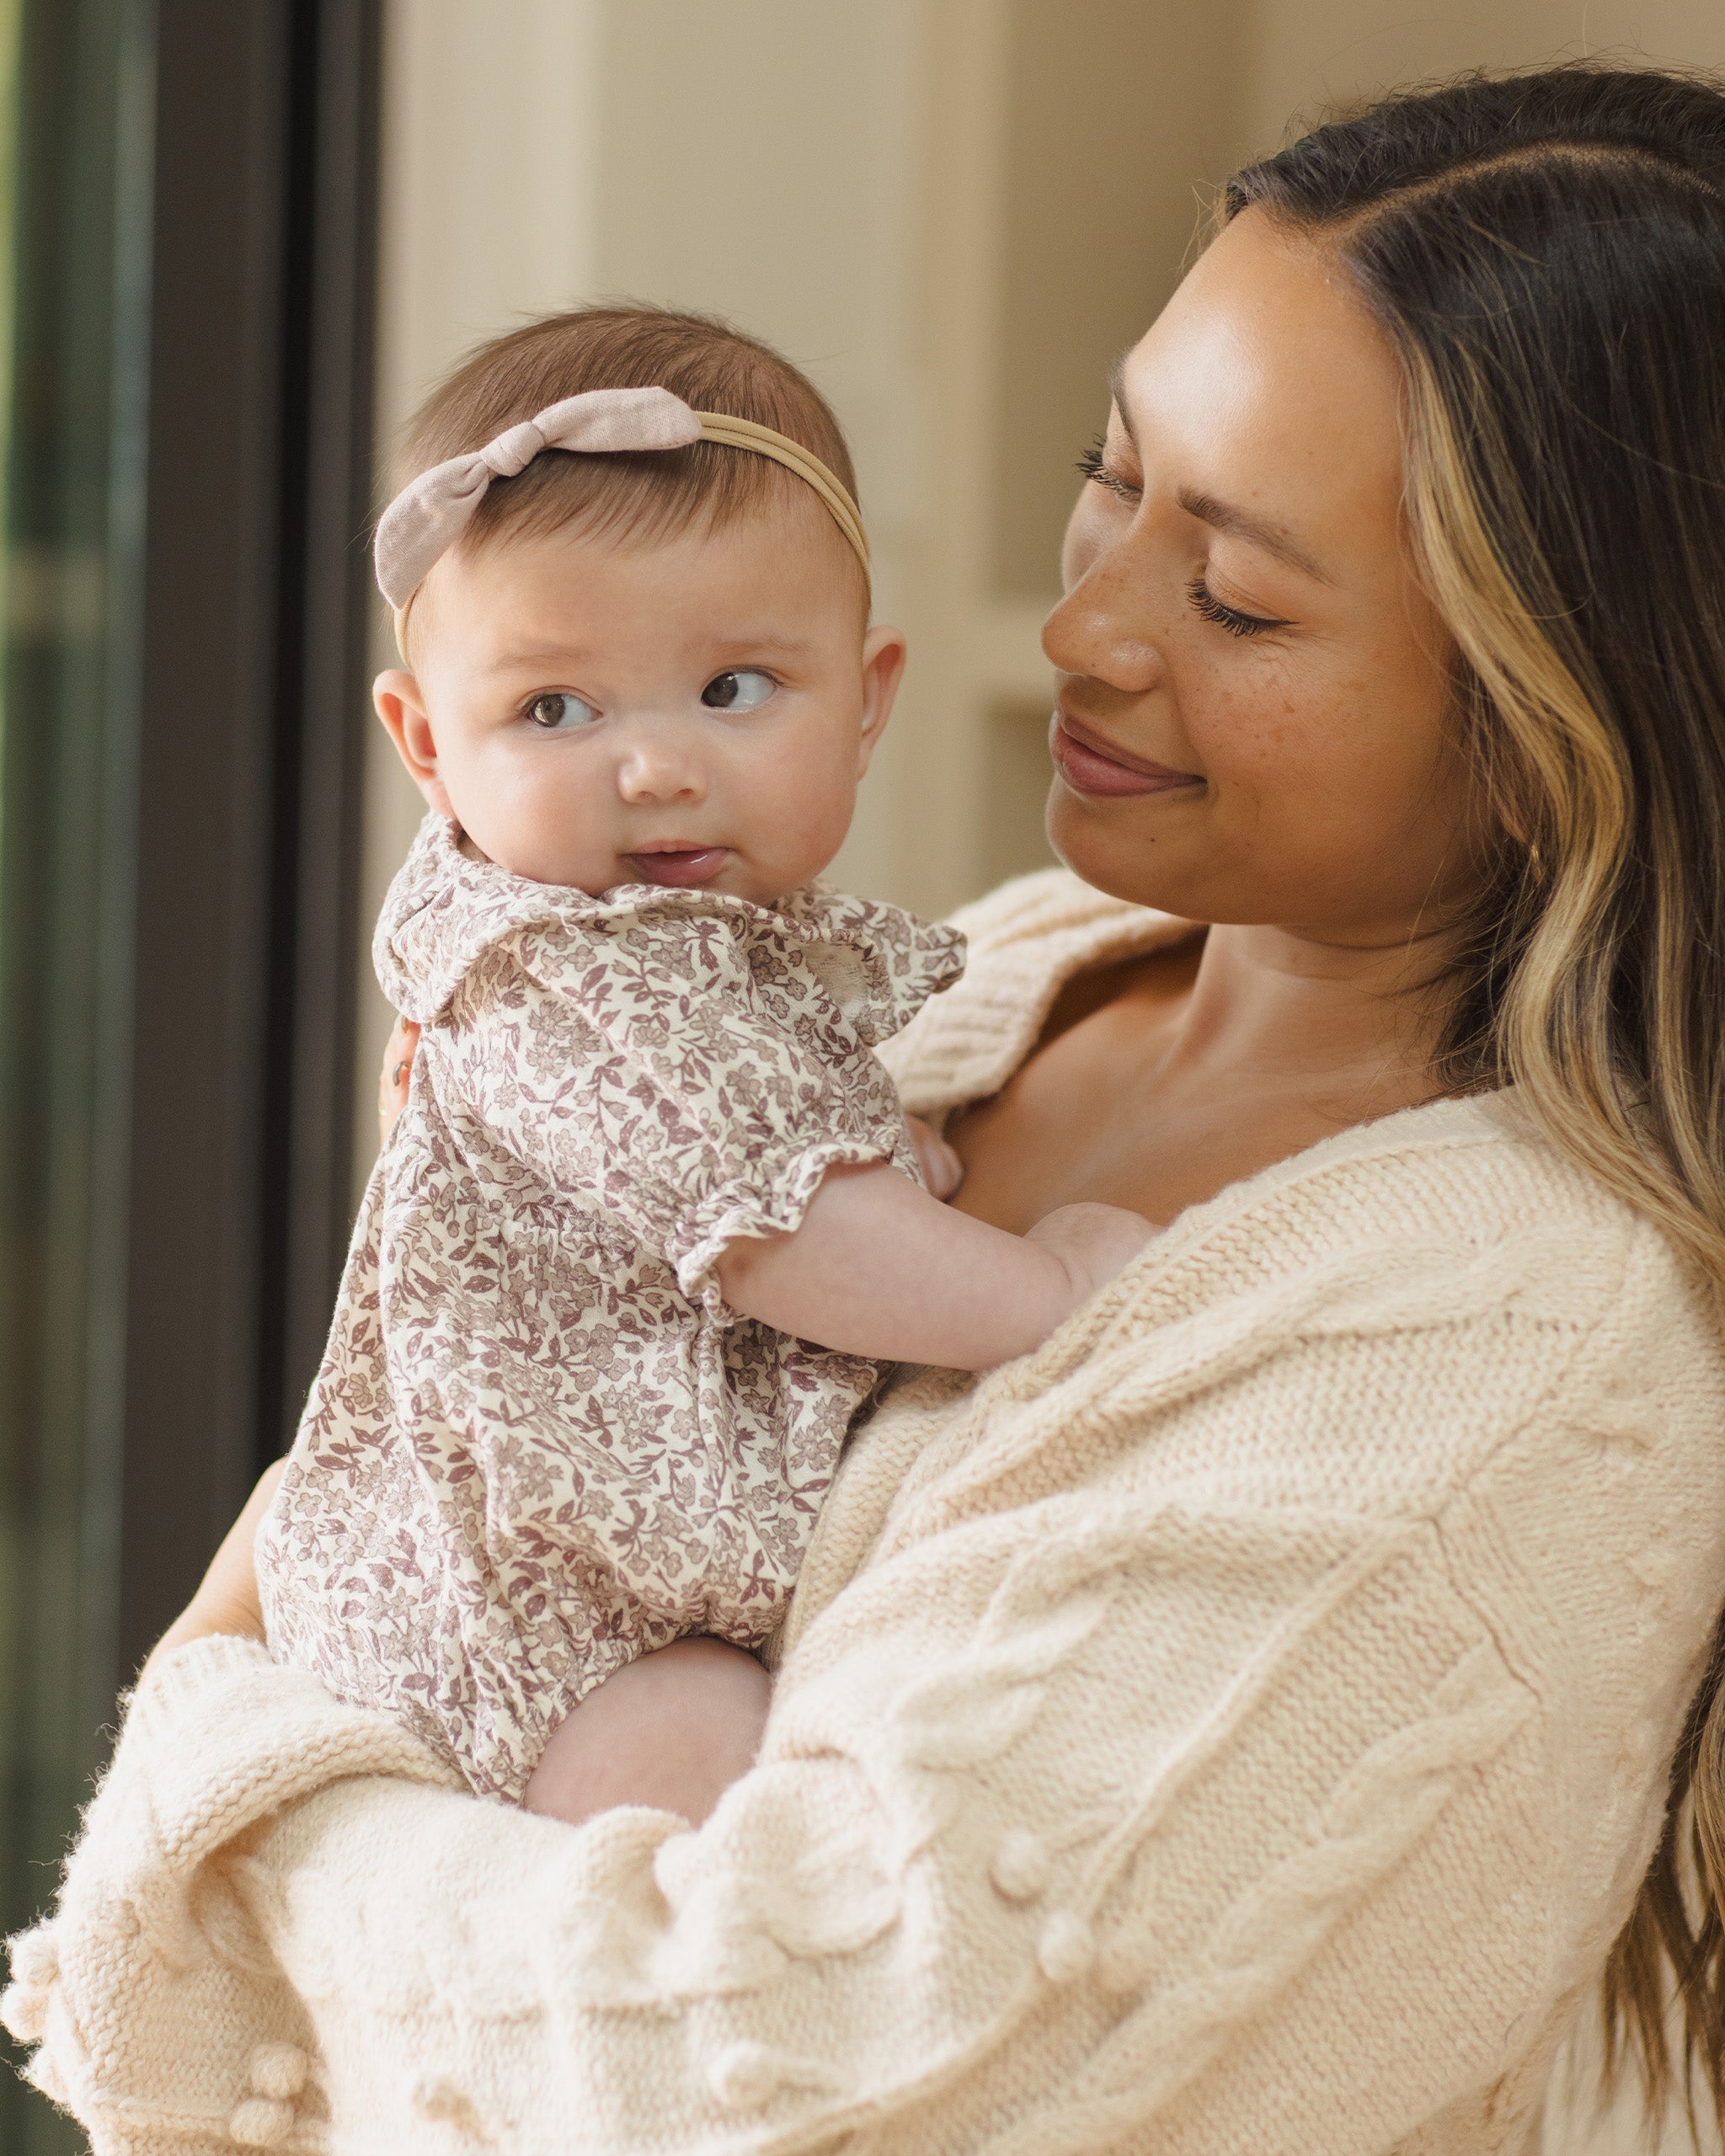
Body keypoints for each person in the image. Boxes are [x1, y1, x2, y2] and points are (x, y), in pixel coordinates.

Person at [10, 56, 1725, 2156]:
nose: (1085, 622)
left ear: (1576, 714)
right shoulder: (973, 978)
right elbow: (418, 1442)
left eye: (1240, 594)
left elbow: (757, 2078)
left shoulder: (1490, 1343)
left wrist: (215, 1778)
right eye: (1111, 477)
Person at [256, 307, 1151, 1825]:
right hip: (551, 1620)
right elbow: (782, 1235)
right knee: (692, 1816)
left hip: (597, 1563)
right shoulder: (572, 971)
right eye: (554, 708)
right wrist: (1048, 1290)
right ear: (426, 746)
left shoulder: (676, 945)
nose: (656, 765)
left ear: (865, 702)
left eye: (736, 688)